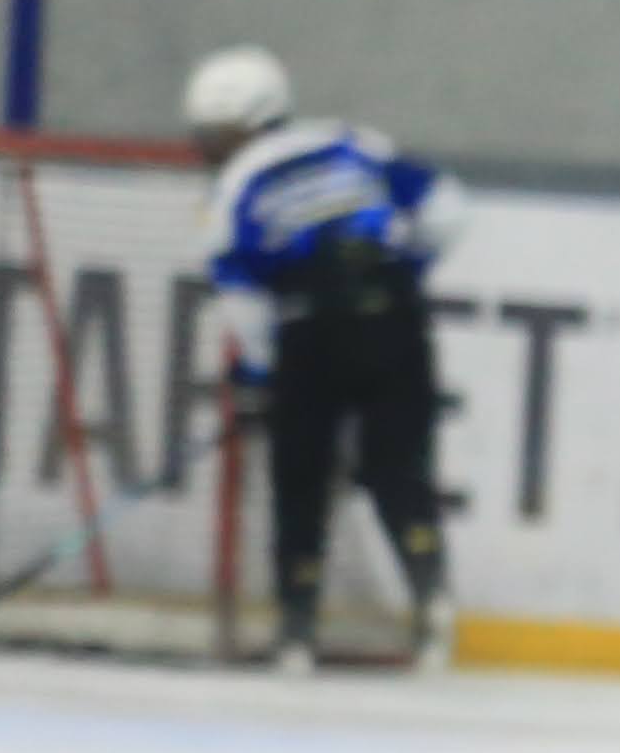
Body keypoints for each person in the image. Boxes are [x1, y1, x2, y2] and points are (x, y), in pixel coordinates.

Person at [184, 47, 463, 672]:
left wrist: (261, 375)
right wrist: (400, 277)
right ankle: (433, 603)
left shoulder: (232, 188)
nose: (207, 146)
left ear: (247, 123)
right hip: (396, 322)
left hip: (307, 329)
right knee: (398, 468)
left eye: (215, 133)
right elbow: (447, 208)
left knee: (301, 481)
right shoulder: (349, 141)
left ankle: (297, 629)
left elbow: (242, 297)